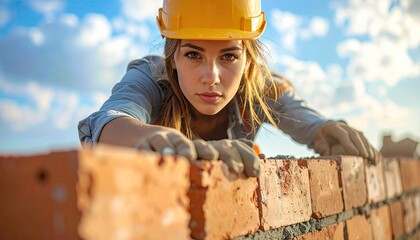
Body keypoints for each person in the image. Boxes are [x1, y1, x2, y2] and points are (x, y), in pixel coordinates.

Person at [78, 0, 382, 177]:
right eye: (193, 54)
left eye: (229, 56)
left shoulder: (262, 89)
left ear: (248, 60)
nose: (211, 77)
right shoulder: (151, 76)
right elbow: (109, 120)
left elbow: (306, 120)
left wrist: (324, 130)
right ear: (172, 59)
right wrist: (164, 140)